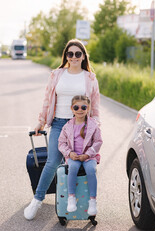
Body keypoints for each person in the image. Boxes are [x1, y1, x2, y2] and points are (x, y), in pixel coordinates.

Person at [24, 39, 100, 220]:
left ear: (83, 56)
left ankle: (81, 201)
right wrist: (41, 122)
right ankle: (37, 200)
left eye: (77, 54)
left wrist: (95, 128)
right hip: (59, 124)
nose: (73, 57)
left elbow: (95, 106)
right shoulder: (57, 75)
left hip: (81, 125)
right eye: (70, 54)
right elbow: (47, 100)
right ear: (66, 56)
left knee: (82, 164)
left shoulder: (89, 78)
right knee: (52, 162)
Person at [58, 95, 103, 215]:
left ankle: (93, 201)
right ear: (72, 109)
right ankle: (71, 198)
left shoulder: (93, 125)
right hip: (74, 156)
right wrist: (69, 153)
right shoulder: (67, 126)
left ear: (88, 108)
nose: (80, 110)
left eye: (83, 107)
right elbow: (61, 143)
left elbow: (98, 142)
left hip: (89, 157)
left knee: (91, 169)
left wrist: (88, 155)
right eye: (76, 107)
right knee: (73, 168)